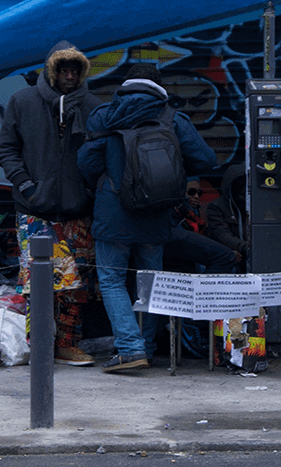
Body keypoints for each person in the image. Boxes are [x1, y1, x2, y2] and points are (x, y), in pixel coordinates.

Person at [77, 66, 216, 372]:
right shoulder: (173, 118)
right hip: (157, 214)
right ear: (159, 87)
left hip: (113, 212)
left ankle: (130, 349)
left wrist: (104, 183)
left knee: (112, 281)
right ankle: (147, 348)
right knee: (150, 283)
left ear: (125, 85)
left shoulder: (104, 115)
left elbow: (87, 160)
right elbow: (207, 159)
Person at [0, 40, 102, 366]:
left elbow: (102, 156)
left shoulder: (92, 107)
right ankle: (39, 343)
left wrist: (87, 191)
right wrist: (27, 185)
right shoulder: (23, 101)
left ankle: (68, 344)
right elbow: (6, 149)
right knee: (36, 283)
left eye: (75, 70)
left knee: (76, 285)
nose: (70, 75)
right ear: (51, 71)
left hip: (77, 210)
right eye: (64, 69)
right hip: (34, 208)